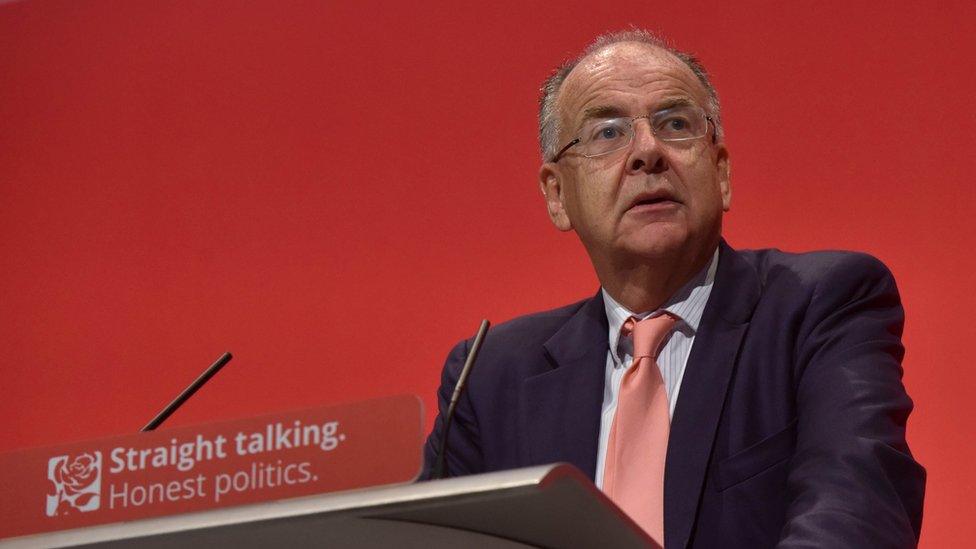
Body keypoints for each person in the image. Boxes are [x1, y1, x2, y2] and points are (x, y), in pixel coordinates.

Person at [421, 30, 925, 548]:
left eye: (676, 125)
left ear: (722, 172)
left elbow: (858, 513)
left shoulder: (821, 306)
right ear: (557, 195)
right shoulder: (489, 377)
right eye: (608, 133)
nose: (647, 152)